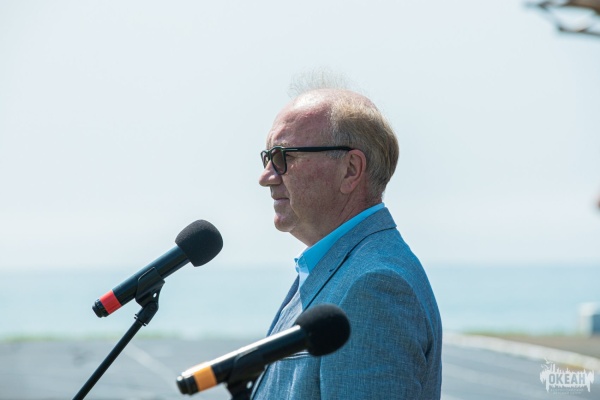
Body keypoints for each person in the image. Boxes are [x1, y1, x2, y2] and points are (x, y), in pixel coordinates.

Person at [252, 86, 442, 399]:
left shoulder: (374, 286)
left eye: (284, 157)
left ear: (350, 170)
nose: (266, 177)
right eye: (268, 158)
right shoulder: (338, 268)